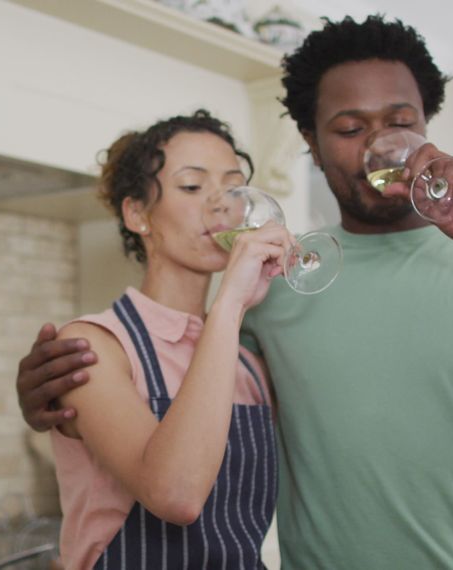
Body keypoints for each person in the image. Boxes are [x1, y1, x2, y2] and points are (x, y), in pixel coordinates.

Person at [16, 16, 453, 569]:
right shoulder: (277, 283)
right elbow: (178, 427)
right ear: (311, 143)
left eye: (400, 122)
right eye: (348, 127)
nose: (378, 146)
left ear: (425, 126)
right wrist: (54, 398)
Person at [45, 109, 291, 569]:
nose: (220, 205)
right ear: (137, 213)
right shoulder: (94, 347)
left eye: (231, 186)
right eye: (193, 187)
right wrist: (230, 305)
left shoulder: (250, 366)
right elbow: (175, 495)